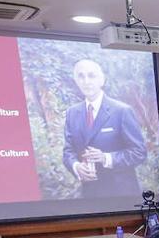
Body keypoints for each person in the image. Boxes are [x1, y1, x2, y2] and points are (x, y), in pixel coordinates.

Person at [62, 59, 148, 199]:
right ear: (76, 81)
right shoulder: (72, 113)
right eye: (81, 76)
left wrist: (106, 158)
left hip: (122, 195)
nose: (86, 81)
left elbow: (139, 152)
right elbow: (68, 152)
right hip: (89, 196)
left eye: (91, 75)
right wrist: (76, 166)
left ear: (102, 80)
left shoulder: (122, 111)